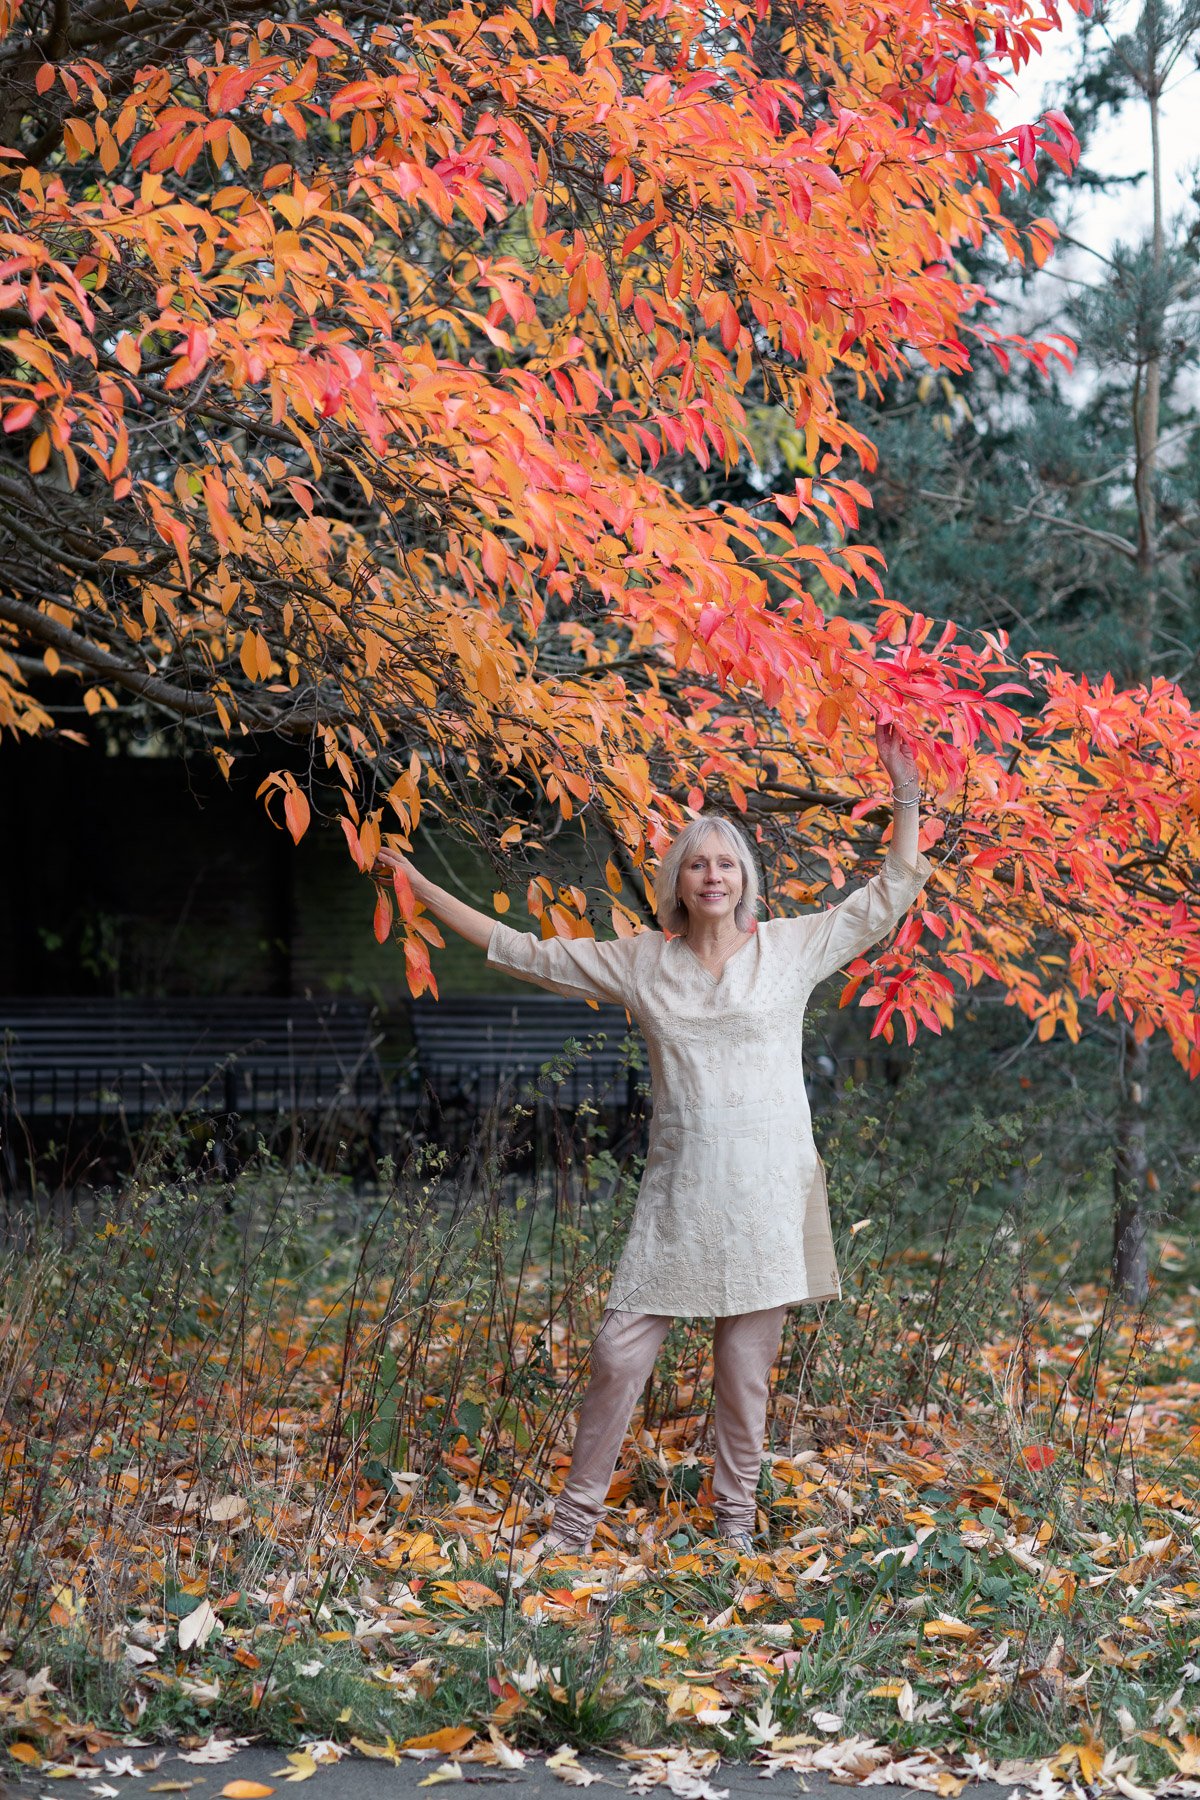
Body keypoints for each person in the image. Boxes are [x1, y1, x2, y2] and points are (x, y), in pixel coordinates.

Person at [374, 719, 932, 1561]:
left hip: (768, 1186)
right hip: (681, 1190)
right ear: (679, 879)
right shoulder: (644, 961)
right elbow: (523, 951)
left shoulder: (789, 949)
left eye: (727, 862)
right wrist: (418, 886)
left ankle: (735, 1529)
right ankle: (573, 1527)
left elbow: (888, 893)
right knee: (617, 1349)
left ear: (747, 879)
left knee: (743, 1379)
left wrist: (907, 793)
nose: (713, 875)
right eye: (698, 863)